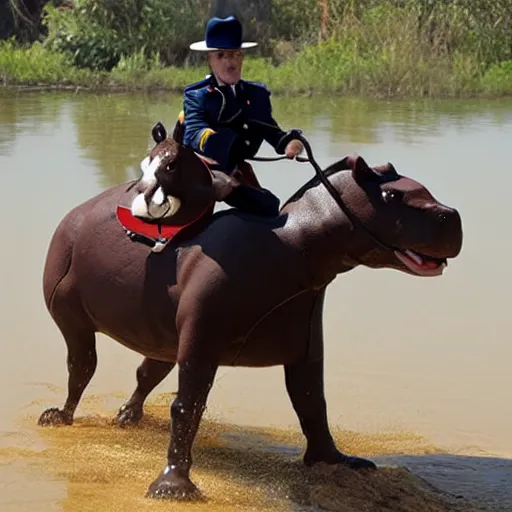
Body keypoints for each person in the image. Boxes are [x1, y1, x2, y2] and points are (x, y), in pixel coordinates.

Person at [181, 15, 304, 217]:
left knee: (268, 208)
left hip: (236, 169)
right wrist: (225, 147)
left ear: (242, 57)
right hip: (202, 168)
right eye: (221, 56)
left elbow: (269, 129)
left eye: (235, 55)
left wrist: (289, 143)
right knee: (187, 224)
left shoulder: (256, 95)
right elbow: (194, 133)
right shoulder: (197, 95)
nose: (230, 63)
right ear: (210, 60)